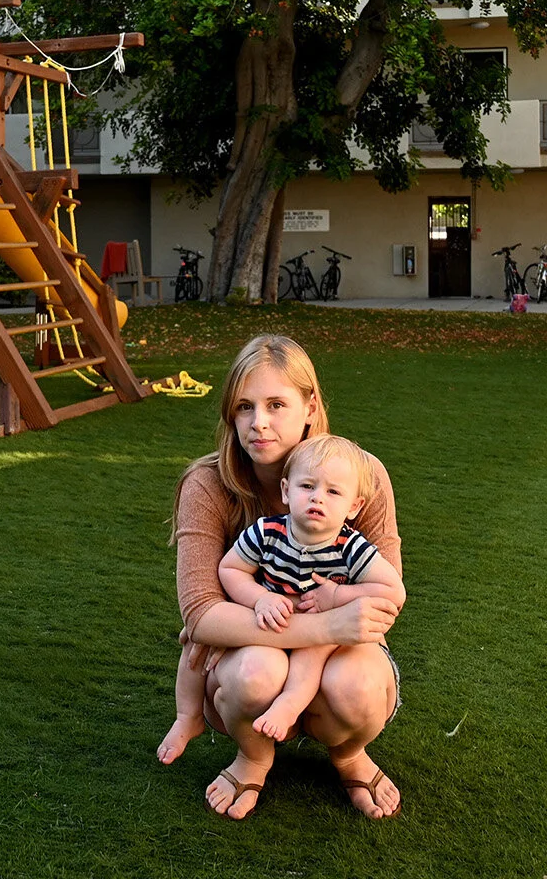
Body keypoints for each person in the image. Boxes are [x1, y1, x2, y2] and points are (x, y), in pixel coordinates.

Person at [157, 334, 405, 820]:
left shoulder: (359, 475)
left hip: (327, 652)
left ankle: (350, 755)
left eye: (276, 404)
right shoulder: (208, 484)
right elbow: (202, 614)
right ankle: (252, 757)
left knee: (357, 687)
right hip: (255, 649)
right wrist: (329, 624)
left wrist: (334, 617)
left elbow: (385, 601)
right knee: (256, 672)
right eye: (244, 407)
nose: (259, 423)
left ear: (310, 406)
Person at [219, 435, 406, 741]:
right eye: (307, 486)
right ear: (286, 491)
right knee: (195, 646)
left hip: (325, 631)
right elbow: (231, 569)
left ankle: (289, 705)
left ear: (354, 506)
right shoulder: (267, 532)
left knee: (314, 652)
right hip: (276, 624)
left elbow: (393, 591)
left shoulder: (350, 546)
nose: (318, 498)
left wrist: (337, 595)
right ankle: (188, 718)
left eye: (333, 492)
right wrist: (260, 598)